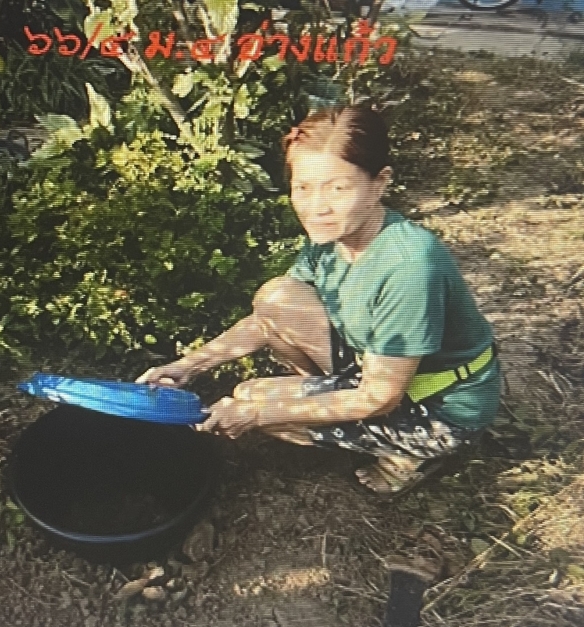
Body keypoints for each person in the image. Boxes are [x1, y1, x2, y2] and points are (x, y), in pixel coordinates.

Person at [137, 105, 501, 497]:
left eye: (337, 188)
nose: (317, 207)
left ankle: (410, 457)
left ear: (379, 183)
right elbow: (268, 318)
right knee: (277, 297)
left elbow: (380, 397)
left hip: (438, 406)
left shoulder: (409, 268)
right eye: (304, 188)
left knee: (253, 397)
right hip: (382, 369)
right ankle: (325, 399)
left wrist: (260, 413)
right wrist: (187, 366)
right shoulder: (333, 238)